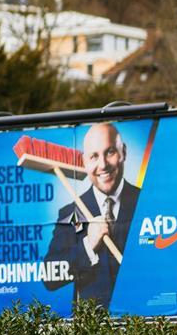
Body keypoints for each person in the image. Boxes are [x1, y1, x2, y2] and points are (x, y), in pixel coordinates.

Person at [43, 121, 140, 307]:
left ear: (124, 152)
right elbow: (49, 277)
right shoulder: (70, 212)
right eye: (94, 156)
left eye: (110, 152)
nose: (102, 165)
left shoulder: (147, 202)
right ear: (84, 162)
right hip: (94, 329)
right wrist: (88, 245)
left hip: (141, 319)